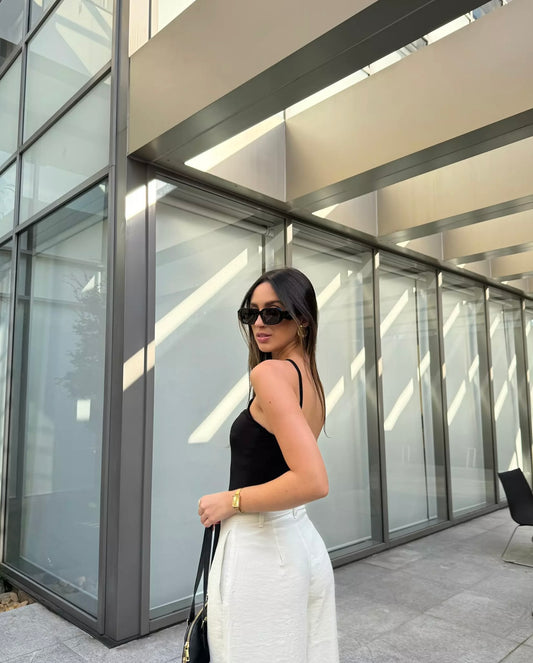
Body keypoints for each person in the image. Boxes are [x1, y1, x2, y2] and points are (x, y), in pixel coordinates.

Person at [197, 267, 339, 663]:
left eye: (273, 312)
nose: (259, 323)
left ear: (303, 319)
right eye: (251, 313)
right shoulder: (309, 378)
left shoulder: (271, 373)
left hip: (260, 550)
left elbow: (313, 480)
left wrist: (231, 501)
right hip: (299, 542)